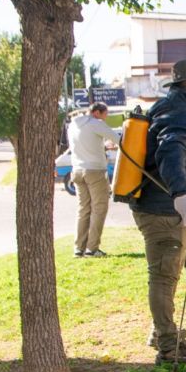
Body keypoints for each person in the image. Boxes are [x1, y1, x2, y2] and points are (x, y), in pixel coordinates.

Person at [130, 58, 186, 365]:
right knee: (164, 276)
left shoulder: (175, 107)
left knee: (168, 273)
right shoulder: (177, 110)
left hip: (159, 205)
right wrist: (180, 191)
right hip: (162, 207)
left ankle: (162, 331)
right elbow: (169, 149)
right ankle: (168, 346)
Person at [68, 101, 118, 258]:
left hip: (77, 170)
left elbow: (86, 144)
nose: (106, 118)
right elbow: (118, 138)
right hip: (94, 171)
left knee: (83, 209)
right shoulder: (96, 123)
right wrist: (113, 145)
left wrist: (102, 147)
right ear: (97, 112)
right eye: (105, 114)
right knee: (99, 208)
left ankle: (79, 248)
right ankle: (92, 248)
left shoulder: (74, 124)